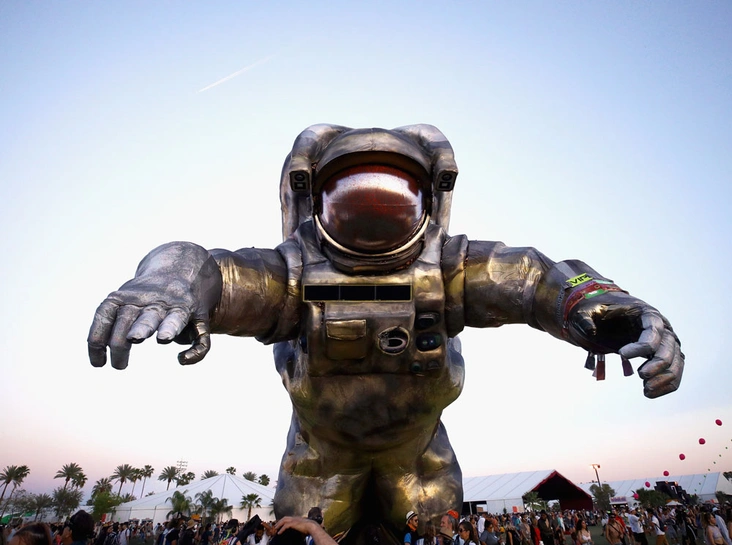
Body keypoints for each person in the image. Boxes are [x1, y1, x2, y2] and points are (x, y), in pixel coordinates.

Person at [88, 124, 685, 540]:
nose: (373, 206)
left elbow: (540, 278)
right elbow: (207, 268)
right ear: (316, 196)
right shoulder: (290, 273)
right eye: (351, 189)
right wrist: (168, 283)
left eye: (396, 189)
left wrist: (609, 307)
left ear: (427, 197)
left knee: (431, 532)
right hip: (319, 459)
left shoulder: (452, 266)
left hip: (419, 457)